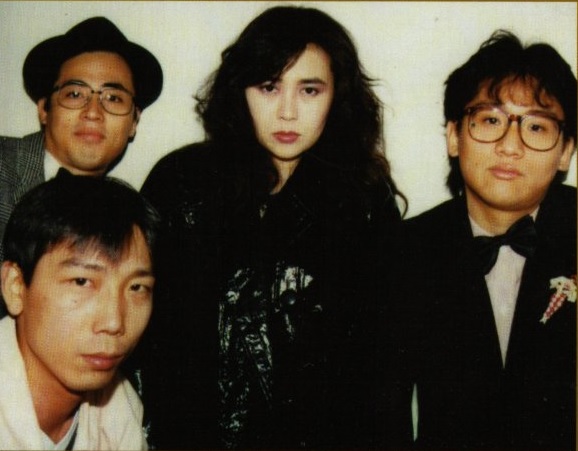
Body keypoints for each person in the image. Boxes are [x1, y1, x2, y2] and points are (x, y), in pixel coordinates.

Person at [136, 5, 403, 449]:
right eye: (268, 86)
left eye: (309, 90)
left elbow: (381, 368)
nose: (287, 112)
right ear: (240, 90)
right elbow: (137, 334)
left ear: (337, 96)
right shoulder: (182, 182)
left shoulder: (364, 201)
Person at [385, 30, 576, 450]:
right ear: (454, 136)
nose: (510, 146)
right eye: (490, 120)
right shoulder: (403, 251)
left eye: (536, 126)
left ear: (565, 151)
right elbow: (381, 418)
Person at [0, 174, 160, 450]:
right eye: (82, 281)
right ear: (16, 287)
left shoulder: (118, 407)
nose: (114, 322)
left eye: (136, 287)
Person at [0, 16, 163, 265]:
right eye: (75, 94)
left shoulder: (132, 215)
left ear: (134, 122)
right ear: (44, 110)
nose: (93, 112)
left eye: (113, 98)